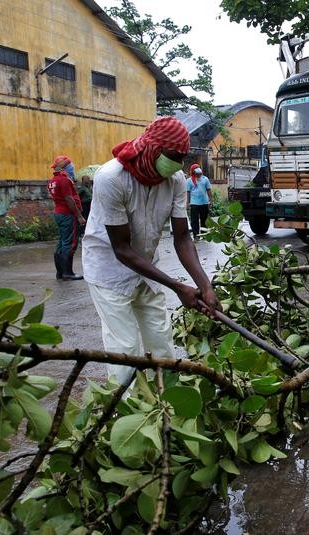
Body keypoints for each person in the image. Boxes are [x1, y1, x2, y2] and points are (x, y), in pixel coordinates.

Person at [82, 116, 220, 384]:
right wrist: (178, 287)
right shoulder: (111, 178)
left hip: (147, 268)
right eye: (173, 156)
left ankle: (168, 406)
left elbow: (182, 238)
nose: (178, 163)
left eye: (182, 157)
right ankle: (127, 411)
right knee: (125, 350)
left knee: (161, 341)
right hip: (109, 271)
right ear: (153, 148)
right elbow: (121, 248)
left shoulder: (176, 180)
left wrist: (205, 286)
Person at [47, 155, 86, 281]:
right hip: (67, 214)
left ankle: (60, 272)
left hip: (59, 213)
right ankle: (68, 273)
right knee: (70, 243)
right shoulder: (64, 180)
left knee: (62, 242)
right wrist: (79, 216)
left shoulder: (53, 180)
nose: (72, 167)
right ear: (65, 167)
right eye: (70, 165)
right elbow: (69, 199)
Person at [186, 163, 212, 240]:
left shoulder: (205, 179)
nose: (199, 174)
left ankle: (204, 234)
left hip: (204, 203)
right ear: (193, 173)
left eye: (200, 173)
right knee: (194, 220)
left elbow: (209, 190)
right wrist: (187, 203)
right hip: (194, 203)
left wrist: (211, 200)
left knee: (204, 220)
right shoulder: (189, 181)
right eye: (197, 173)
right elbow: (188, 192)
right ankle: (196, 235)